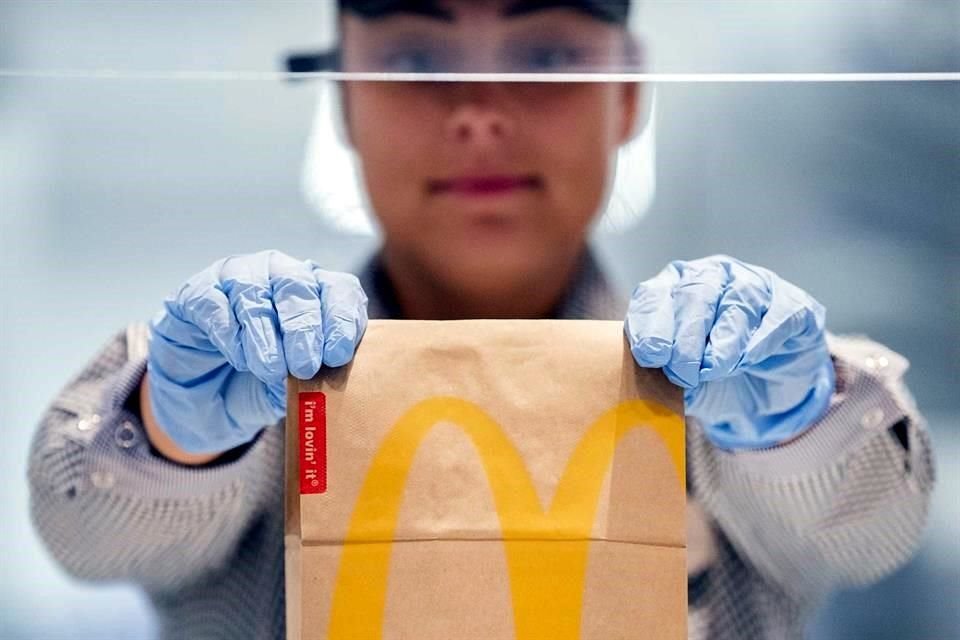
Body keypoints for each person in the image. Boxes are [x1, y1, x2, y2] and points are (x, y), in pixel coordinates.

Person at [28, 1, 934, 638]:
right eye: (415, 62)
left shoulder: (725, 387)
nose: (478, 112)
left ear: (628, 95)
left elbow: (871, 534)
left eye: (545, 57)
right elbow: (90, 537)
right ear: (344, 101)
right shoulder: (257, 388)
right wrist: (169, 438)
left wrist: (803, 426)